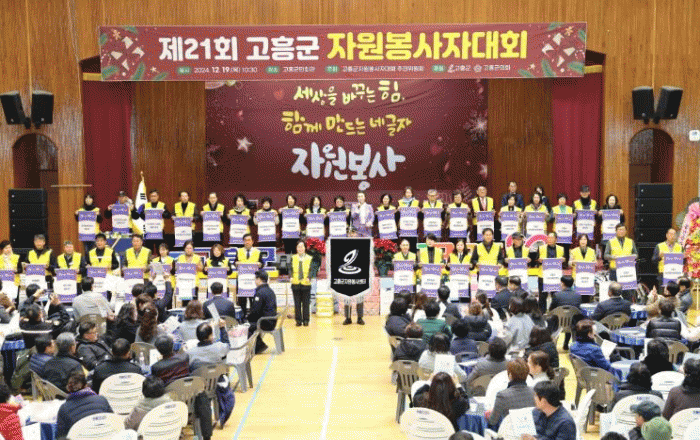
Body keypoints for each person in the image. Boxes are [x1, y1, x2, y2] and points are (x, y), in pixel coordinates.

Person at [55, 371, 113, 438]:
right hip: (106, 436)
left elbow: (61, 436)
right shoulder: (102, 399)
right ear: (86, 385)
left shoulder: (64, 409)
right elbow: (113, 421)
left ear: (68, 388)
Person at [487, 358, 535, 428]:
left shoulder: (502, 396)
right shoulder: (535, 392)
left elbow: (492, 421)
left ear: (510, 375)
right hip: (531, 431)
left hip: (509, 431)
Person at [247, 270, 278, 354]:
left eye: (255, 279)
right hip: (271, 320)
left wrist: (246, 319)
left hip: (265, 322)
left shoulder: (260, 293)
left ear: (259, 279)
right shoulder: (270, 290)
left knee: (246, 327)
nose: (255, 281)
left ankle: (259, 346)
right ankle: (259, 345)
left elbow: (255, 311)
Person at [537, 232, 565, 312]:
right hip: (543, 275)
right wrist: (539, 260)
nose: (549, 239)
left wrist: (564, 260)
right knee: (542, 296)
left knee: (555, 295)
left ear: (556, 239)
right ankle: (542, 313)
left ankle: (555, 312)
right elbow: (536, 260)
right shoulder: (541, 248)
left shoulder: (561, 249)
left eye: (552, 238)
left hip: (555, 275)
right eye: (548, 238)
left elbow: (565, 262)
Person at [604, 224, 638, 290]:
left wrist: (632, 256)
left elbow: (636, 254)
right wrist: (612, 257)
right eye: (620, 230)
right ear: (616, 231)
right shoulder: (610, 242)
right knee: (615, 291)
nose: (621, 231)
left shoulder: (631, 241)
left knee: (627, 291)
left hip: (628, 271)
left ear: (626, 231)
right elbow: (605, 256)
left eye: (623, 230)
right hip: (615, 270)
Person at [236, 233, 262, 317]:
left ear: (252, 241)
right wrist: (236, 263)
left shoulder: (257, 252)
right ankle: (242, 317)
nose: (247, 242)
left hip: (253, 280)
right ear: (243, 242)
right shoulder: (239, 251)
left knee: (253, 300)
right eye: (245, 240)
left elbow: (262, 263)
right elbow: (235, 262)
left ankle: (253, 317)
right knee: (242, 300)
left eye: (249, 240)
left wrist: (260, 264)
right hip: (242, 280)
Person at [291, 240, 312, 326]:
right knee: (297, 303)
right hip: (295, 283)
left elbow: (312, 269)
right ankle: (298, 320)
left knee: (306, 303)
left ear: (305, 248)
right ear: (296, 248)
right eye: (298, 247)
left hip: (306, 283)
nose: (300, 248)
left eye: (302, 246)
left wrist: (309, 277)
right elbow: (289, 268)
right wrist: (290, 276)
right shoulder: (292, 257)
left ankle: (306, 320)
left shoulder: (309, 258)